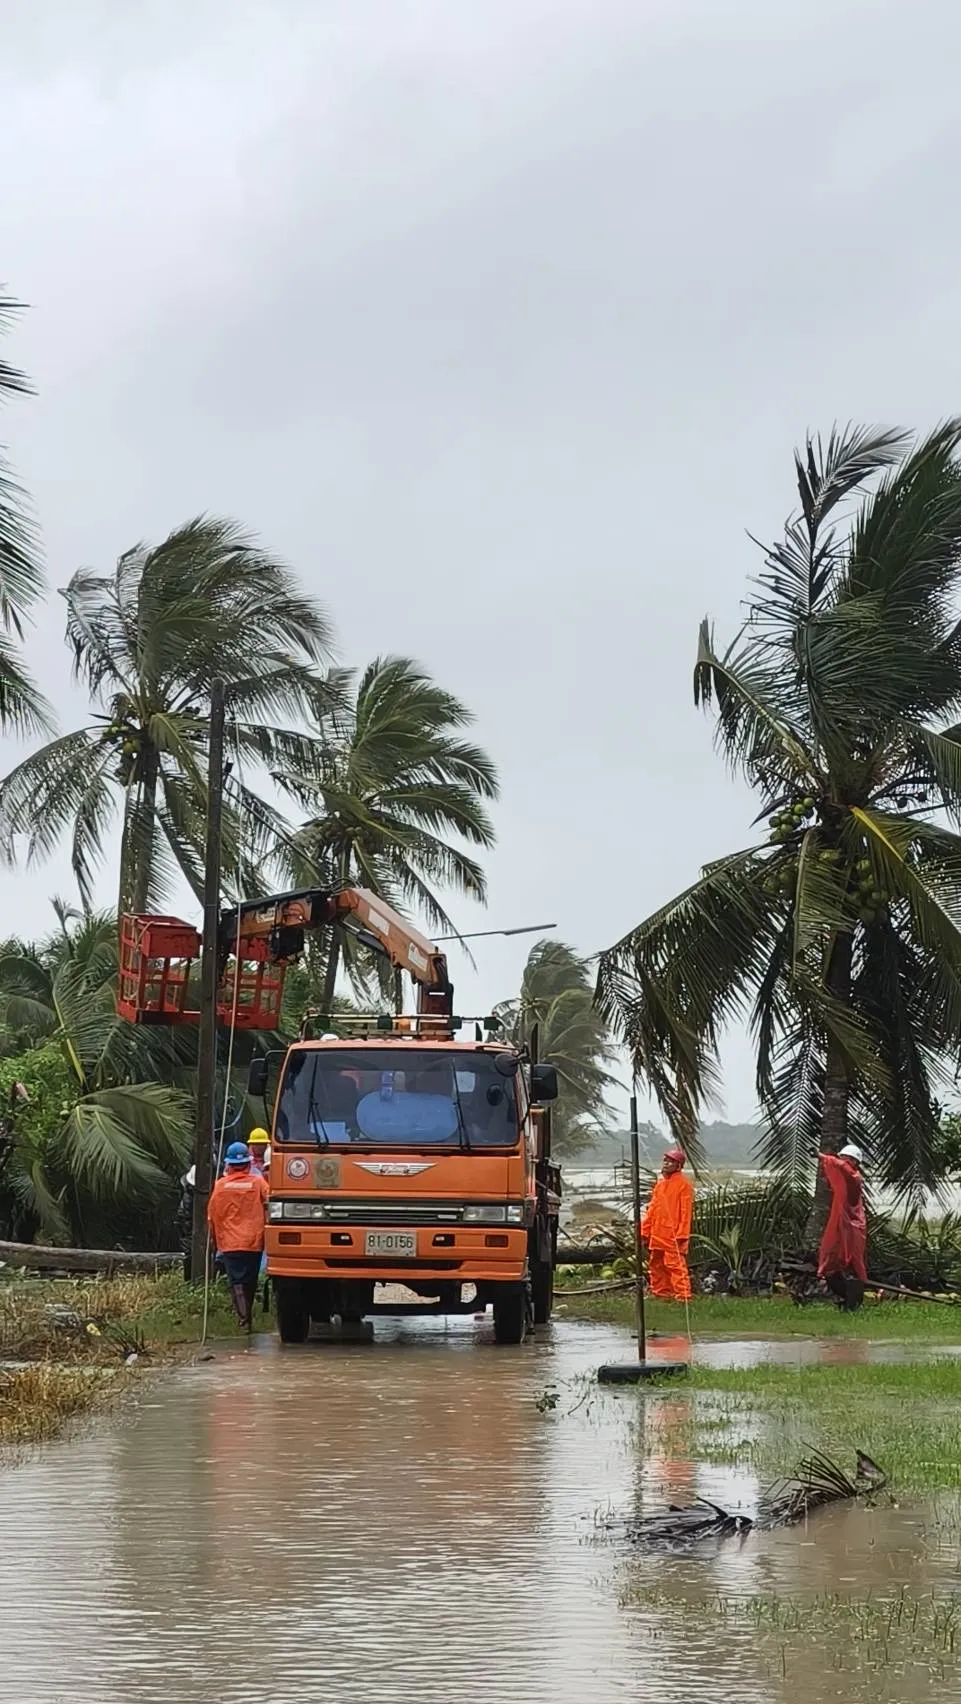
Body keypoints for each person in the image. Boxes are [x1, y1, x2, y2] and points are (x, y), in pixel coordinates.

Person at [207, 1141, 269, 1332]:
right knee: (250, 1279)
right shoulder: (258, 1183)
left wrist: (215, 1240)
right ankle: (247, 1316)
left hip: (230, 1242)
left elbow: (212, 1215)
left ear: (229, 1165)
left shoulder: (220, 1186)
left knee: (236, 1281)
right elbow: (271, 1203)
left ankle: (244, 1319)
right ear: (249, 1164)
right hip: (254, 1241)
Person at [817, 1143, 867, 1311]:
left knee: (853, 1258)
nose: (842, 1162)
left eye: (847, 1160)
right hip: (840, 1222)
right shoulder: (846, 1174)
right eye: (842, 1158)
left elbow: (842, 1167)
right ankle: (844, 1297)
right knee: (831, 1252)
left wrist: (822, 1156)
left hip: (853, 1225)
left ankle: (854, 1299)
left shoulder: (854, 1177)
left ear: (854, 1162)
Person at [640, 1146, 694, 1301]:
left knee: (675, 1265)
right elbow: (652, 1210)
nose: (666, 1163)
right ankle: (661, 1292)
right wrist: (644, 1231)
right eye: (665, 1160)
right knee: (656, 1264)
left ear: (678, 1166)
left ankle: (683, 1296)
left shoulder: (684, 1185)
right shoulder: (660, 1185)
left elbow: (686, 1212)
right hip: (657, 1233)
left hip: (673, 1234)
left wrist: (682, 1234)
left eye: (671, 1161)